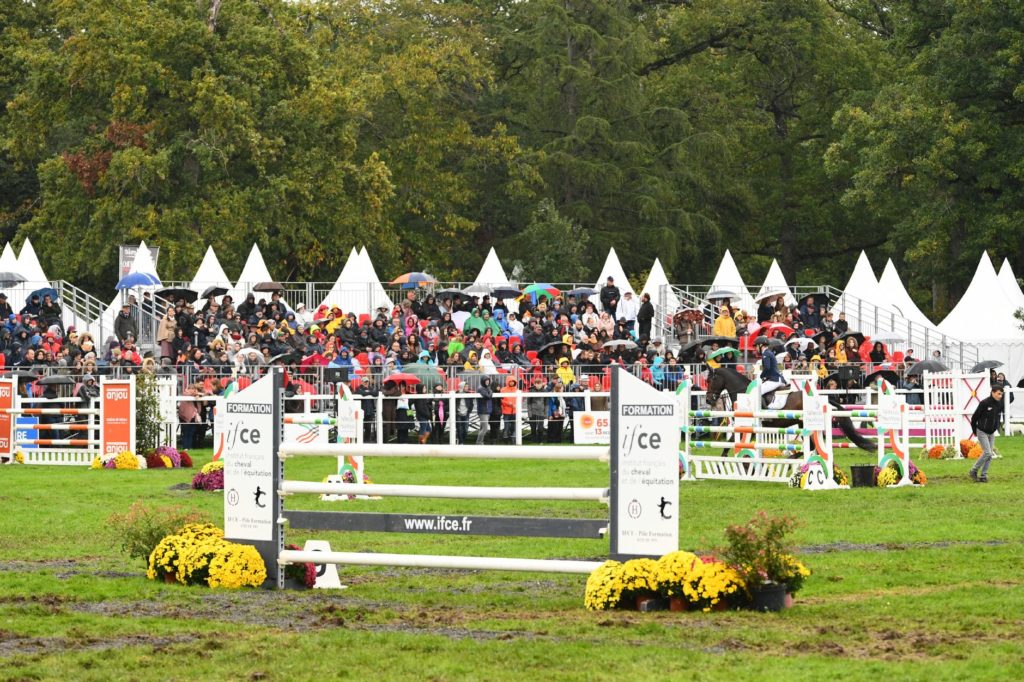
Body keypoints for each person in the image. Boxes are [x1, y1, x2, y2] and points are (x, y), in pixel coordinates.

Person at [969, 385, 1004, 483]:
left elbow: (997, 417)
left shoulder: (999, 404)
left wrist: (996, 427)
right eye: (998, 394)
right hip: (982, 431)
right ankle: (973, 470)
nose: (1000, 396)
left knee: (989, 455)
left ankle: (984, 476)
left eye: (1001, 394)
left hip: (991, 432)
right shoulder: (984, 403)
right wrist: (974, 431)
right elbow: (974, 418)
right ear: (993, 392)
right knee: (987, 452)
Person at [756, 336, 786, 408]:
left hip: (774, 380)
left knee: (758, 391)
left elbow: (767, 367)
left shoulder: (766, 354)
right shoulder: (769, 352)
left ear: (761, 345)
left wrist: (762, 376)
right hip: (777, 378)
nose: (756, 348)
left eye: (756, 346)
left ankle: (765, 412)